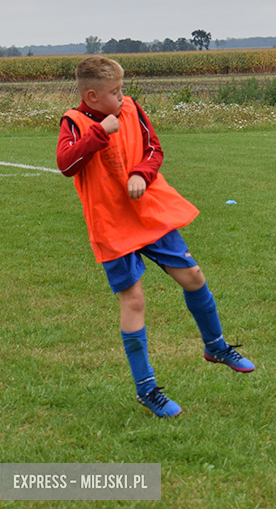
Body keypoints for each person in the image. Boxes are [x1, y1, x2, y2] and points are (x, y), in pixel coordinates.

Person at [57, 56, 255, 418]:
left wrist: (141, 174)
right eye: (115, 92)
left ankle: (216, 346)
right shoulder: (74, 122)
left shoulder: (132, 109)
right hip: (112, 226)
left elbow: (153, 149)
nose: (122, 96)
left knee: (193, 276)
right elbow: (67, 163)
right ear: (92, 96)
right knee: (133, 302)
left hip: (149, 214)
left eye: (122, 89)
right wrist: (101, 133)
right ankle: (147, 389)